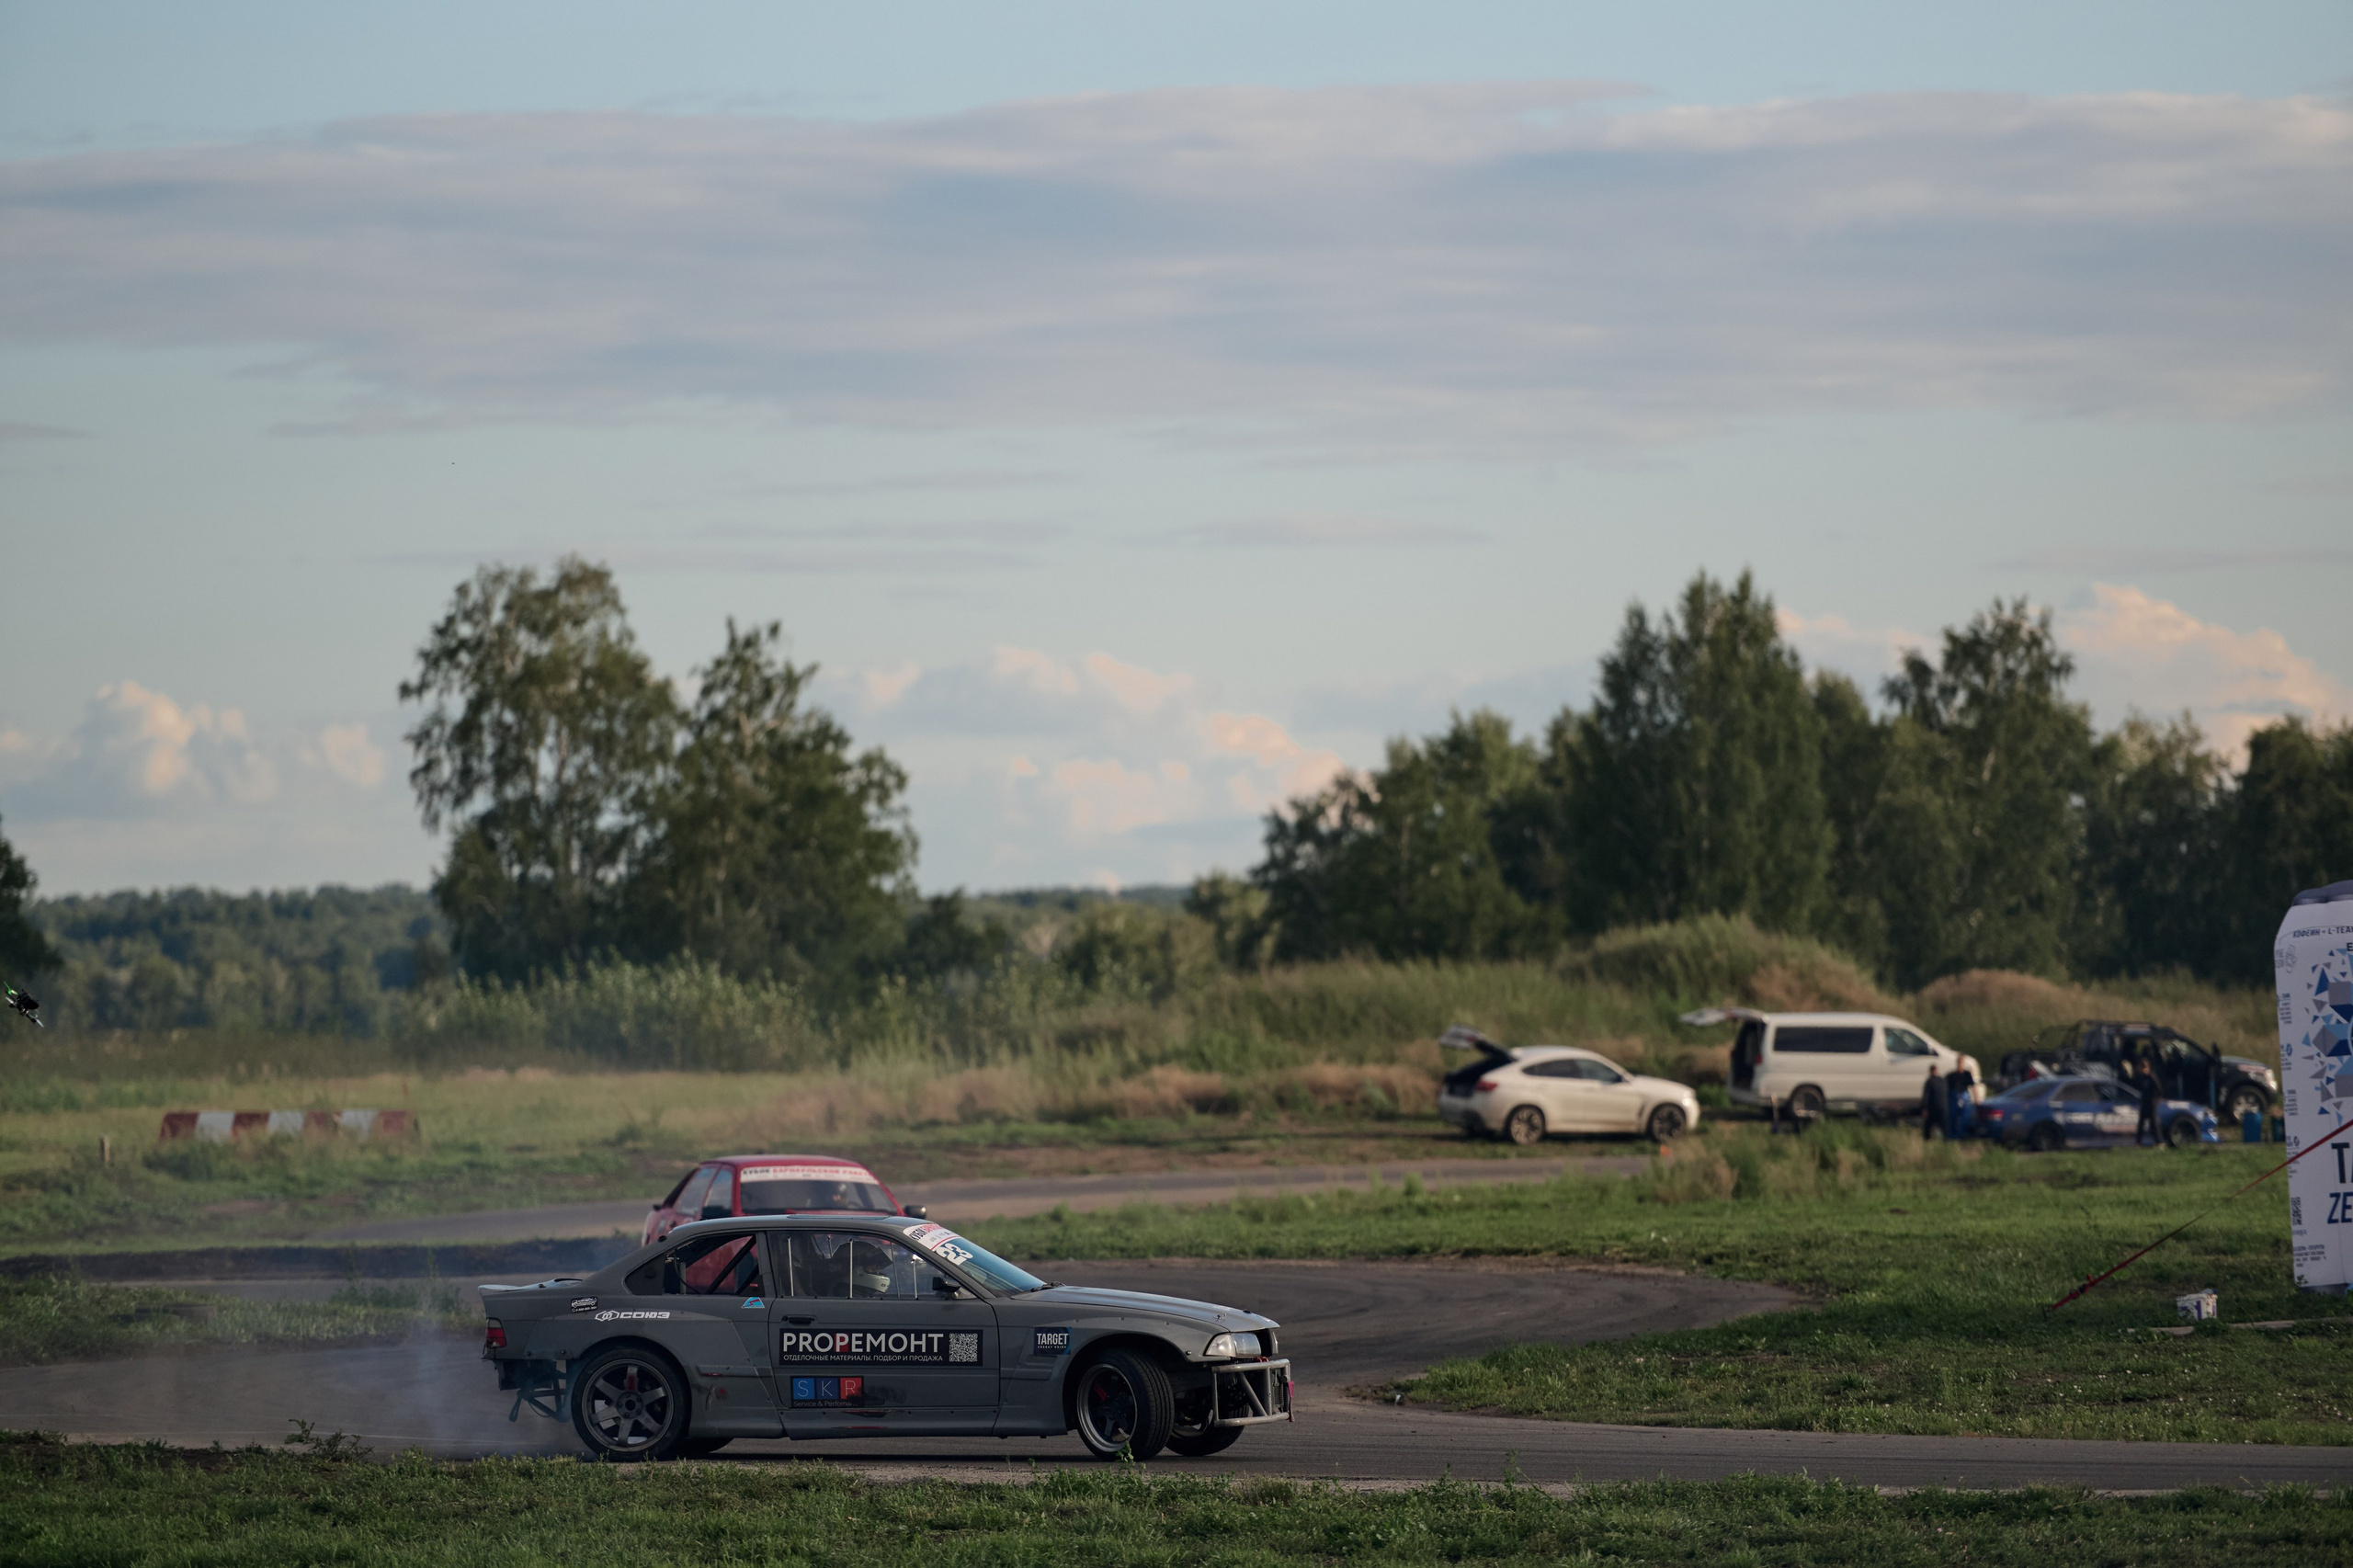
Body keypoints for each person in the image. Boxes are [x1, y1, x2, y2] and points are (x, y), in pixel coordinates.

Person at [2134, 1057, 2162, 1147]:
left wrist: (2156, 1098)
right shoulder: (2141, 1077)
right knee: (2141, 1123)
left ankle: (2159, 1141)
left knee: (2153, 1123)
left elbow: (2159, 1089)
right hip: (2144, 1102)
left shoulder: (2151, 1077)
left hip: (2151, 1103)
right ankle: (2138, 1142)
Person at [1946, 1060, 1977, 1140]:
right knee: (1953, 1117)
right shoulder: (1952, 1076)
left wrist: (1977, 1097)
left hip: (1964, 1097)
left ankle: (1962, 1135)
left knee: (1965, 1117)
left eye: (1961, 1063)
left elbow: (1973, 1086)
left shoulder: (1967, 1074)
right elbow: (1947, 1089)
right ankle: (1952, 1136)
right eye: (1959, 1063)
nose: (1960, 1065)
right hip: (1954, 1098)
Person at [1920, 1062, 1946, 1140]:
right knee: (1931, 1126)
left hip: (1938, 1107)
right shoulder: (1933, 1081)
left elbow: (1926, 1095)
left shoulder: (1939, 1081)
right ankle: (1928, 1139)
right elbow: (1926, 1095)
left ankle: (1931, 1139)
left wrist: (1924, 1107)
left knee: (1939, 1126)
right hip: (1934, 1108)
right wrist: (1925, 1107)